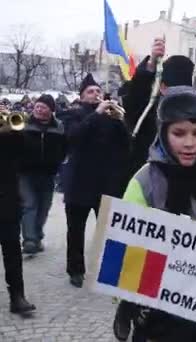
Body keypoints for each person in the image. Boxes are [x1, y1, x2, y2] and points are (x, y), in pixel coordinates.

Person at [124, 86, 196, 341]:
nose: (189, 143)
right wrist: (131, 304)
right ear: (164, 133)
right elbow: (127, 253)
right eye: (179, 133)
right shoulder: (144, 181)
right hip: (159, 315)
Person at [58, 74, 130, 288]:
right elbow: (74, 137)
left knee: (109, 230)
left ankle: (112, 270)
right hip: (79, 183)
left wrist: (120, 123)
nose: (96, 94)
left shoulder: (111, 118)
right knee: (76, 231)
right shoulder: (73, 115)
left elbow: (126, 146)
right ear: (81, 96)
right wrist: (96, 114)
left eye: (98, 91)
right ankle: (76, 270)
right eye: (91, 91)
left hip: (105, 184)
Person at [122, 37, 195, 178]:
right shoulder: (149, 111)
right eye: (174, 89)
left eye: (185, 90)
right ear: (162, 87)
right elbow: (135, 98)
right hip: (145, 178)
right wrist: (152, 63)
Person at [19, 94, 67, 255]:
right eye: (37, 106)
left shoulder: (60, 127)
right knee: (29, 205)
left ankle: (37, 236)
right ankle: (29, 240)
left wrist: (59, 162)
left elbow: (65, 148)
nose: (39, 109)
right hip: (25, 173)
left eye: (43, 107)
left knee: (44, 208)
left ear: (51, 110)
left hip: (48, 174)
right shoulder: (23, 123)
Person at [0, 113, 36, 316]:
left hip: (7, 201)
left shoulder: (9, 136)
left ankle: (17, 297)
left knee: (12, 252)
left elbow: (27, 151)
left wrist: (13, 130)